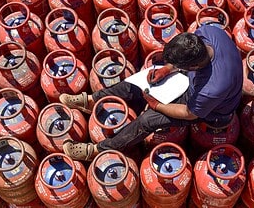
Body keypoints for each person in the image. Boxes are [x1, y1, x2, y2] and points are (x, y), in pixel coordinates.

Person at [59, 25, 243, 161]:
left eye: (179, 66)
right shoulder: (209, 32)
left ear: (193, 66)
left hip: (211, 110)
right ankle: (92, 101)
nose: (175, 67)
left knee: (148, 120)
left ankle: (98, 150)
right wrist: (167, 69)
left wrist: (158, 105)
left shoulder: (212, 87)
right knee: (141, 83)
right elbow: (187, 60)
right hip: (194, 82)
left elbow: (188, 113)